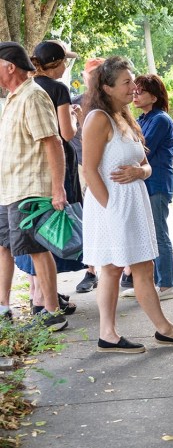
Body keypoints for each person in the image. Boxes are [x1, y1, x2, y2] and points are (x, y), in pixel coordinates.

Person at [81, 56, 173, 353]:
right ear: (107, 87)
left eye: (132, 81)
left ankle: (156, 329)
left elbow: (146, 165)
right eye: (126, 82)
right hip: (111, 205)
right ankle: (120, 333)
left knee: (140, 267)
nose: (133, 87)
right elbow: (89, 170)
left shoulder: (125, 117)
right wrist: (112, 210)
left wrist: (140, 172)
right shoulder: (98, 118)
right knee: (112, 268)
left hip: (134, 200)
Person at [0, 42, 67, 329]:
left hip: (31, 189)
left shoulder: (33, 96)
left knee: (38, 249)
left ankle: (52, 313)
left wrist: (58, 188)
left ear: (9, 66)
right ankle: (3, 307)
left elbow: (53, 143)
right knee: (4, 246)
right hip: (10, 188)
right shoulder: (13, 97)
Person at [16, 40, 85, 316]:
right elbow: (66, 134)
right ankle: (45, 297)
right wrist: (77, 120)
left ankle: (40, 293)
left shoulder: (25, 88)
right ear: (55, 63)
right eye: (64, 61)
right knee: (57, 226)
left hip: (31, 165)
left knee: (35, 228)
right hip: (57, 163)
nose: (67, 66)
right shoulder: (58, 89)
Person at [118, 74, 173, 301]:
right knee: (146, 235)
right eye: (134, 90)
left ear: (154, 95)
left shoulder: (161, 119)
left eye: (140, 91)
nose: (135, 94)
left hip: (156, 184)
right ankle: (149, 284)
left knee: (159, 234)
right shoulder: (143, 118)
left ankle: (166, 285)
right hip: (143, 184)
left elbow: (140, 148)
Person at [72, 57, 105, 294]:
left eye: (98, 73)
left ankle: (125, 269)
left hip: (108, 169)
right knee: (88, 221)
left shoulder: (112, 104)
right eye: (90, 74)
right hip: (83, 169)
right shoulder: (75, 102)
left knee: (111, 216)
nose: (93, 78)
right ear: (84, 77)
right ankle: (91, 270)